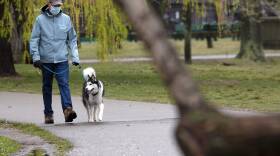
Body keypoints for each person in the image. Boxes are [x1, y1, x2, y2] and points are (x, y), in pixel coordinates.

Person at [29, 0, 80, 124]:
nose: (58, 7)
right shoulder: (40, 20)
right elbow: (34, 39)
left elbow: (72, 39)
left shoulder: (66, 19)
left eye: (59, 5)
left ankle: (68, 110)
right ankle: (48, 114)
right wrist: (36, 57)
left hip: (62, 59)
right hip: (45, 61)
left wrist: (75, 57)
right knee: (47, 87)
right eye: (55, 5)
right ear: (49, 5)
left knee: (64, 84)